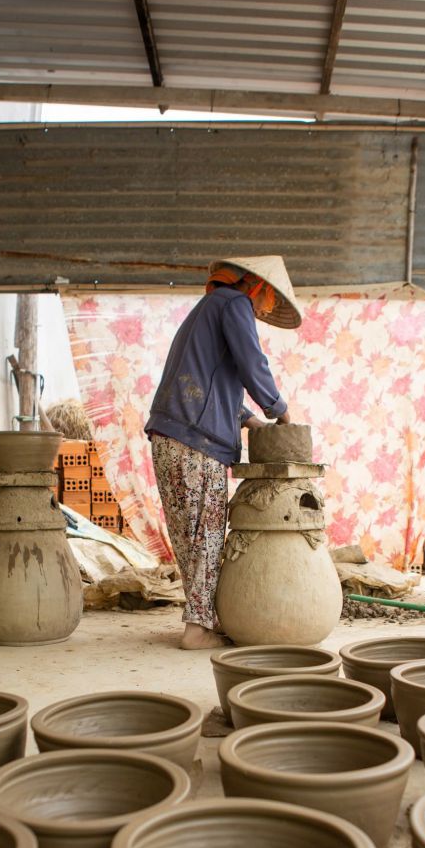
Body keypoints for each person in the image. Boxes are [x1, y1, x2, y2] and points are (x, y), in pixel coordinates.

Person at [145, 255, 303, 650]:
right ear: (257, 287)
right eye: (268, 299)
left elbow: (211, 382)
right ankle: (197, 630)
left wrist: (250, 421)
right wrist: (280, 413)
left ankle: (205, 618)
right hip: (196, 442)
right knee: (208, 534)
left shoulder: (206, 310)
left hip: (170, 435)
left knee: (189, 535)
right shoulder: (235, 304)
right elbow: (253, 365)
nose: (267, 308)